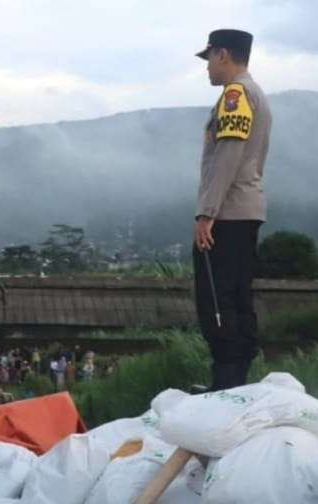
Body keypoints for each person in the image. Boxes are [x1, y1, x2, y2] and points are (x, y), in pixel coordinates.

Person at [193, 29, 272, 390]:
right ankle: (236, 383)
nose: (207, 67)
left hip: (227, 214)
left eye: (209, 58)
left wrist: (207, 212)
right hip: (247, 210)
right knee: (239, 298)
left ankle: (225, 385)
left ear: (223, 54)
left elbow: (228, 154)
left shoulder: (236, 95)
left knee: (218, 302)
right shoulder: (256, 94)